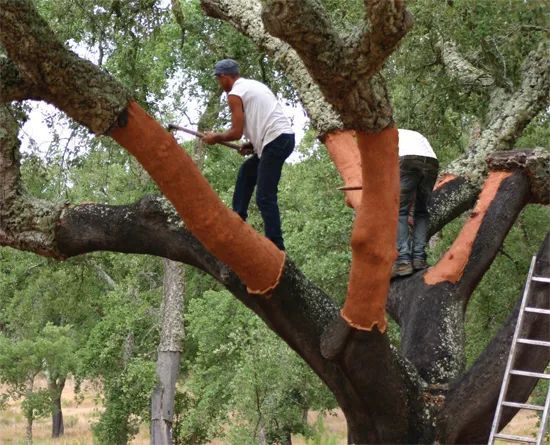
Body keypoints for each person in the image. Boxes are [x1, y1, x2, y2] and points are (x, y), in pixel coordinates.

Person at [202, 59, 295, 251]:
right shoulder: (252, 85)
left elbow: (235, 132)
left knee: (264, 196)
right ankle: (237, 217)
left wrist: (215, 137)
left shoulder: (235, 93)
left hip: (275, 140)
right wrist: (253, 144)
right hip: (280, 139)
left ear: (224, 77)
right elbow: (263, 117)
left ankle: (276, 246)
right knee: (247, 171)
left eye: (219, 80)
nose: (220, 85)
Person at [392, 129, 439, 277]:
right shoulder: (413, 134)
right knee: (422, 211)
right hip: (431, 162)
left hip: (408, 159)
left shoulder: (385, 135)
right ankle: (419, 258)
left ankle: (404, 261)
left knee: (399, 211)